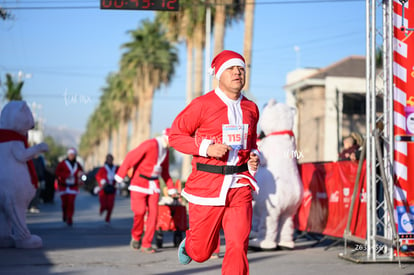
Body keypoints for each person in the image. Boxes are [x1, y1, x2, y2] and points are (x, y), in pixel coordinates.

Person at [169, 50, 260, 275]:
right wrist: (207, 148)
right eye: (231, 68)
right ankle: (190, 244)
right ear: (219, 74)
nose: (238, 72)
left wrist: (255, 157)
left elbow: (253, 143)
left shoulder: (251, 108)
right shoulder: (202, 104)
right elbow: (176, 136)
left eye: (241, 68)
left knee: (238, 245)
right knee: (201, 253)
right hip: (207, 184)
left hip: (240, 185)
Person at [115, 129, 178, 254]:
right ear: (168, 138)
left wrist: (171, 189)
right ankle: (136, 236)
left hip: (154, 185)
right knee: (140, 211)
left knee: (153, 215)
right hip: (139, 183)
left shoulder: (166, 151)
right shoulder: (150, 144)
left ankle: (146, 244)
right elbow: (131, 157)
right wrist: (120, 175)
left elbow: (164, 172)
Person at [55, 148, 84, 226]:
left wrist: (81, 176)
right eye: (70, 154)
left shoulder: (77, 164)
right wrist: (66, 175)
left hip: (73, 187)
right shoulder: (62, 163)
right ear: (68, 155)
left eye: (73, 155)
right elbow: (57, 172)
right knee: (65, 204)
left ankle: (70, 218)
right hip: (63, 186)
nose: (72, 156)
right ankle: (65, 214)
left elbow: (82, 174)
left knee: (71, 203)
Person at [95, 154, 118, 224]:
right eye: (108, 159)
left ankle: (108, 218)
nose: (110, 160)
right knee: (104, 204)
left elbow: (120, 175)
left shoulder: (116, 168)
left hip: (112, 188)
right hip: (104, 188)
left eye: (111, 159)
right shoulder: (103, 169)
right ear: (106, 160)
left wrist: (118, 183)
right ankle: (102, 209)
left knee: (110, 205)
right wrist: (102, 181)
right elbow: (98, 176)